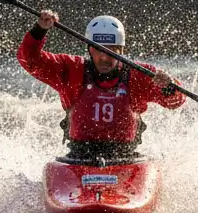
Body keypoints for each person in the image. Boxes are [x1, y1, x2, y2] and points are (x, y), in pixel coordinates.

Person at [17, 11, 185, 162]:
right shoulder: (72, 69)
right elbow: (30, 61)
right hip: (78, 158)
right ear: (90, 49)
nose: (105, 57)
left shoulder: (139, 74)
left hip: (126, 159)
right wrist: (39, 31)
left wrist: (168, 87)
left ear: (121, 50)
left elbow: (175, 101)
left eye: (111, 50)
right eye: (99, 49)